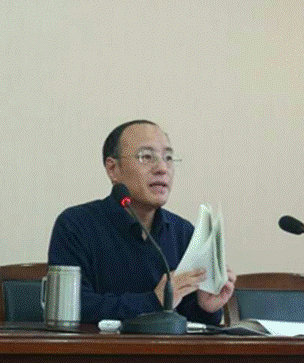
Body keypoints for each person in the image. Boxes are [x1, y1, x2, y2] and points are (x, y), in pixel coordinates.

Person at [48, 120, 236, 324]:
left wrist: (205, 307)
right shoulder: (75, 225)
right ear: (113, 169)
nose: (162, 168)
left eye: (168, 158)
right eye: (146, 157)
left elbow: (187, 319)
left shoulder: (182, 232)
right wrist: (154, 301)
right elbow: (71, 307)